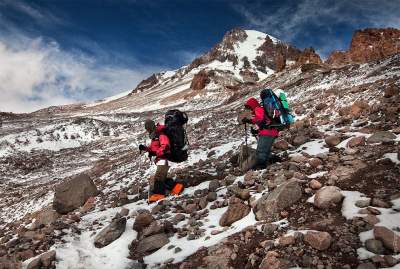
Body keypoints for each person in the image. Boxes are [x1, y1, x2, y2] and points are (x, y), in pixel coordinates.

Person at [139, 119, 183, 202]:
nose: (147, 129)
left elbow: (165, 147)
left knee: (158, 177)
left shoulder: (161, 134)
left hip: (165, 159)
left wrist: (156, 153)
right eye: (146, 128)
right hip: (161, 160)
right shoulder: (154, 136)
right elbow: (154, 149)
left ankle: (158, 196)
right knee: (162, 177)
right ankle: (178, 188)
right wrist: (145, 148)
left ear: (151, 126)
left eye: (147, 127)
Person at [241, 97, 279, 170]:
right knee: (266, 149)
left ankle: (261, 165)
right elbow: (260, 120)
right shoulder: (260, 109)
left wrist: (250, 121)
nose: (249, 109)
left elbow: (260, 120)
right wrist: (249, 120)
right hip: (271, 131)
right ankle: (272, 161)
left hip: (267, 132)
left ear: (252, 105)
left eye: (249, 106)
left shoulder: (258, 109)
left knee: (261, 150)